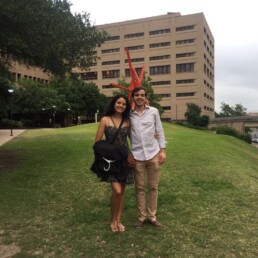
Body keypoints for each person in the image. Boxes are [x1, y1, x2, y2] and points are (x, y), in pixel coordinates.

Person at [93, 94, 134, 232]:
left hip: (124, 160)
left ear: (126, 107)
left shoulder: (127, 121)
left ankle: (118, 220)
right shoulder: (105, 119)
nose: (121, 105)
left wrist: (131, 154)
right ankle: (112, 220)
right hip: (110, 161)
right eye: (118, 103)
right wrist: (107, 152)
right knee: (116, 191)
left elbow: (132, 140)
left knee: (122, 192)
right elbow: (97, 142)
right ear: (114, 104)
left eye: (123, 104)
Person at [130, 86, 166, 228]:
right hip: (137, 156)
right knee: (139, 188)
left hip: (153, 154)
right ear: (133, 97)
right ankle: (141, 217)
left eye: (142, 95)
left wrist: (163, 150)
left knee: (153, 187)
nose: (139, 97)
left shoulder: (154, 111)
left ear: (146, 97)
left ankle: (152, 216)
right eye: (137, 95)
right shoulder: (129, 114)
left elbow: (160, 131)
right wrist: (128, 153)